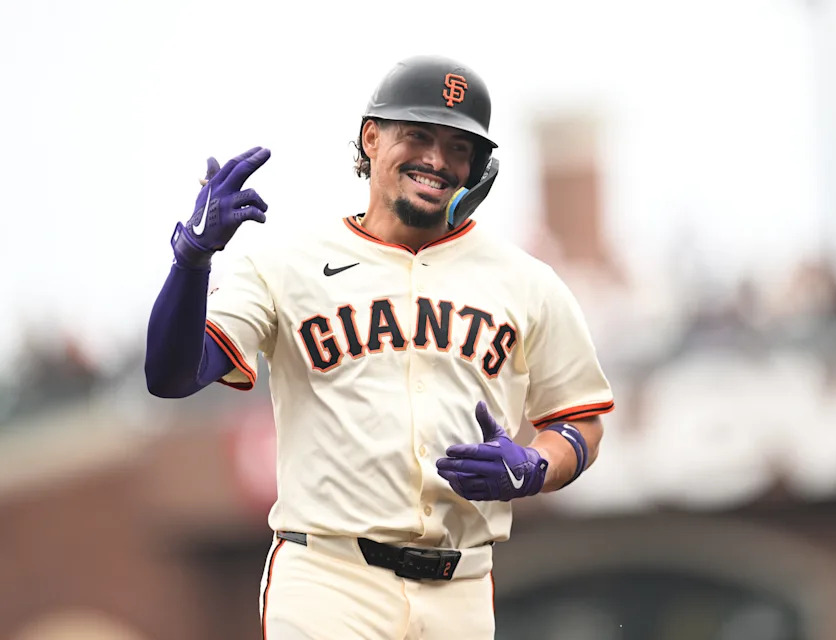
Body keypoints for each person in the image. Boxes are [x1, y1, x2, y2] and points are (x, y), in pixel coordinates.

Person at [145, 55, 614, 640]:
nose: (437, 160)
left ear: (479, 168)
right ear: (371, 138)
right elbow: (172, 374)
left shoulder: (527, 282)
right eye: (417, 135)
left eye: (458, 147)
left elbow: (582, 419)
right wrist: (190, 262)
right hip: (329, 579)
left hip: (462, 587)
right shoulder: (287, 263)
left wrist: (537, 465)